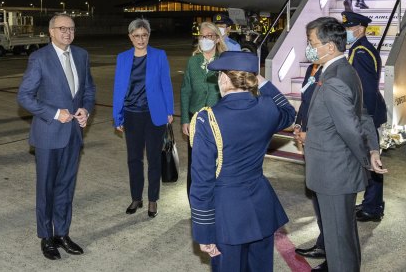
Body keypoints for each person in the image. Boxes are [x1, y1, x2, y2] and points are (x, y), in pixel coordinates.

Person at [189, 51, 295, 272]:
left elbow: (202, 181)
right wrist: (264, 83)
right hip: (261, 208)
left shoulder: (208, 119)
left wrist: (204, 231)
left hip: (227, 214)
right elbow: (288, 111)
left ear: (225, 79)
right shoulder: (267, 108)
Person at [303, 17, 386, 272]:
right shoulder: (343, 70)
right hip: (340, 169)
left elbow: (351, 127)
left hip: (333, 171)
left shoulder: (334, 79)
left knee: (339, 241)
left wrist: (366, 156)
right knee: (344, 236)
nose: (309, 47)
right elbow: (362, 114)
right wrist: (372, 148)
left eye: (312, 42)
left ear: (329, 47)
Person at [17, 13, 96, 261]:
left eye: (71, 28)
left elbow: (89, 89)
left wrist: (85, 109)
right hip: (48, 135)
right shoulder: (39, 58)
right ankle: (46, 237)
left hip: (73, 134)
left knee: (65, 187)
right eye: (62, 28)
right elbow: (25, 96)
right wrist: (54, 113)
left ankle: (62, 233)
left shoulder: (81, 56)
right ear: (51, 32)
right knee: (46, 188)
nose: (67, 33)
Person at [113, 18, 174, 218]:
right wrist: (117, 115)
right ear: (130, 37)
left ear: (149, 36)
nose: (141, 39)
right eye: (137, 35)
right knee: (134, 159)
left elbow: (166, 83)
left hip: (153, 114)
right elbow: (118, 88)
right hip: (131, 115)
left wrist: (169, 110)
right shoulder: (122, 58)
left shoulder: (159, 55)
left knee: (154, 159)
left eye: (144, 35)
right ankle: (136, 198)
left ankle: (152, 200)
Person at [293, 18, 339, 263]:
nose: (309, 47)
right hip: (312, 141)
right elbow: (307, 101)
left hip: (324, 147)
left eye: (312, 42)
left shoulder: (333, 74)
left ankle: (331, 253)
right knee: (320, 203)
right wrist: (300, 124)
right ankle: (324, 245)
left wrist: (311, 134)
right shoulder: (315, 69)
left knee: (328, 207)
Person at [342, 11, 388, 223]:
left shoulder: (361, 52)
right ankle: (371, 202)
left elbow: (366, 89)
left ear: (359, 29)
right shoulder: (360, 49)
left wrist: (363, 117)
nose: (347, 32)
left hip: (367, 112)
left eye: (349, 28)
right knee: (369, 160)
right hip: (368, 111)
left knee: (372, 161)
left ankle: (373, 207)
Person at [181, 22, 227, 200]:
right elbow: (185, 90)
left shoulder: (224, 61)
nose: (204, 39)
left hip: (219, 119)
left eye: (209, 36)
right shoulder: (193, 62)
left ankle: (216, 196)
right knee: (195, 160)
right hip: (196, 118)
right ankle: (194, 198)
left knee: (218, 159)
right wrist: (185, 119)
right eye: (202, 36)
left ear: (216, 39)